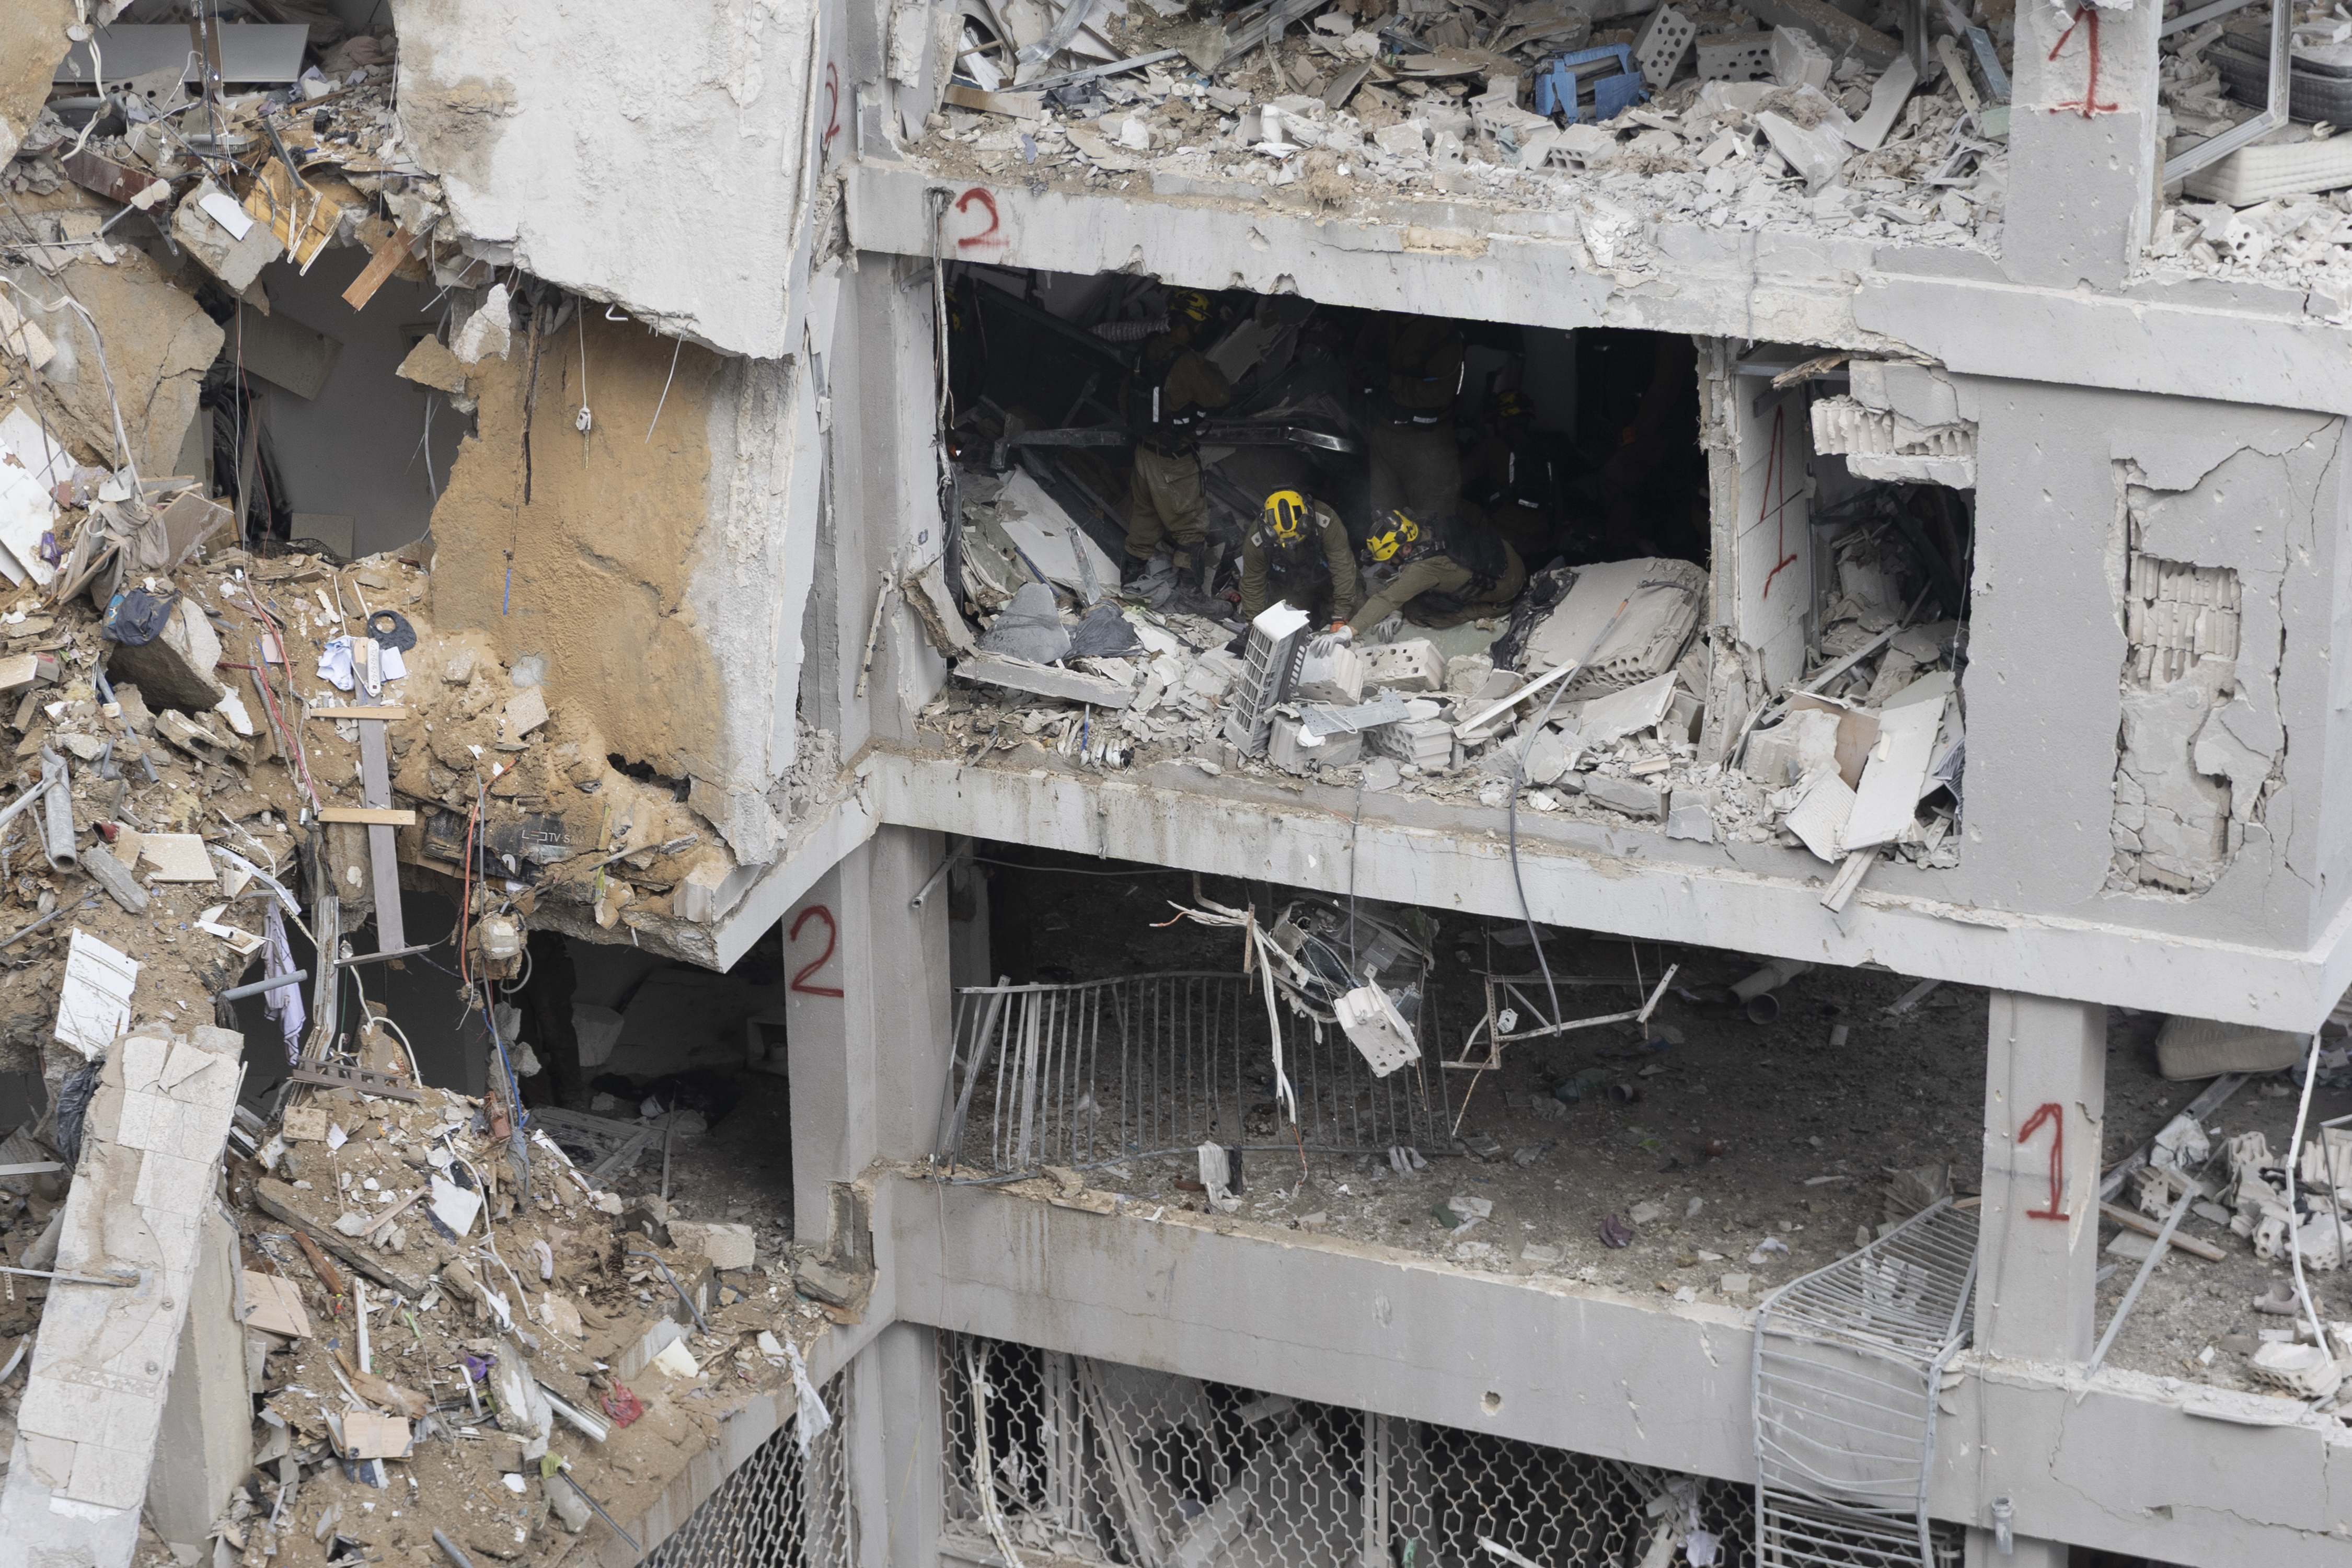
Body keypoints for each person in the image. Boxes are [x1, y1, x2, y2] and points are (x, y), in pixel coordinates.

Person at [1122, 290, 1232, 584]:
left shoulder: (1147, 349)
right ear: (1197, 325)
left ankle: (1130, 582)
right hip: (1172, 461)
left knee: (1144, 519)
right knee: (1191, 528)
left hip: (1143, 453)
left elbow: (1125, 399)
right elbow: (1220, 395)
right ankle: (1191, 598)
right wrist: (1209, 366)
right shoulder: (1187, 361)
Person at [1338, 507, 1527, 635]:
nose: (1390, 564)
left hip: (1507, 595)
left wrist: (1349, 631)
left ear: (1406, 549)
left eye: (1391, 559)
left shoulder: (1422, 570)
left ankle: (1487, 610)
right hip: (1512, 560)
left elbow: (1388, 598)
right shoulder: (1428, 526)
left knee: (1416, 611)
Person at [1354, 312, 1464, 523]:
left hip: (1425, 443)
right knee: (1383, 519)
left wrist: (1391, 381)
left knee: (1433, 521)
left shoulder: (1440, 332)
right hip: (1383, 434)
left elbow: (1441, 392)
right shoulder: (1380, 321)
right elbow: (1357, 360)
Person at [1461, 389, 1559, 567]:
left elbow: (1458, 478)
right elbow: (1558, 502)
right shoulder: (1544, 451)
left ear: (1501, 421)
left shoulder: (1493, 447)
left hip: (1507, 539)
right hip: (1540, 541)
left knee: (1455, 503)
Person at [1239, 488, 1362, 626]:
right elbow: (1253, 583)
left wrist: (1342, 615)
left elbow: (1342, 565)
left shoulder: (1325, 518)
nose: (1291, 545)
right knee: (1282, 628)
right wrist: (1253, 624)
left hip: (1330, 579)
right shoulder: (1257, 538)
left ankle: (1327, 611)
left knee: (1359, 614)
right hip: (1292, 587)